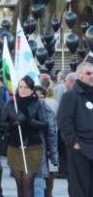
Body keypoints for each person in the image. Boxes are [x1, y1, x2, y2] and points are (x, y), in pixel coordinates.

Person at [0, 76, 47, 197]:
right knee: (19, 184)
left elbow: (44, 124)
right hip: (14, 148)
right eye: (20, 86)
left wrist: (28, 120)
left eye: (26, 87)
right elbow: (0, 122)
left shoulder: (37, 103)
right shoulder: (11, 103)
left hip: (32, 148)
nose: (22, 89)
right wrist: (12, 123)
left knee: (28, 183)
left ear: (31, 89)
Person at [57, 61, 93, 196]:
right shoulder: (70, 96)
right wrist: (73, 143)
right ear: (80, 76)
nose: (92, 76)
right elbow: (63, 121)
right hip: (80, 149)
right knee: (79, 189)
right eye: (88, 73)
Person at [33, 86, 58, 197]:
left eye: (42, 96)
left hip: (43, 153)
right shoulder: (27, 110)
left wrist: (53, 156)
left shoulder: (48, 111)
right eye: (37, 96)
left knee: (41, 184)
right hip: (27, 153)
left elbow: (52, 135)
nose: (39, 99)